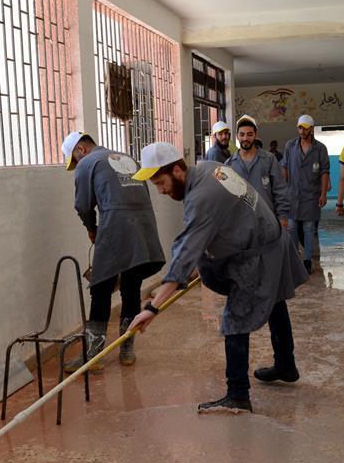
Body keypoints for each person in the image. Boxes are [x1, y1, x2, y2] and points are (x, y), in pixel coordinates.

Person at [128, 142, 308, 414]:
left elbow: (186, 251)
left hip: (258, 253)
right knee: (275, 302)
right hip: (269, 239)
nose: (161, 191)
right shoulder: (209, 168)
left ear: (176, 171)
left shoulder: (202, 195)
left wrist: (152, 308)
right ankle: (286, 365)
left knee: (234, 321)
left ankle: (238, 394)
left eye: (160, 183)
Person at [60, 131, 166, 372]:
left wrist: (91, 228)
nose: (77, 164)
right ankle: (126, 350)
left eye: (75, 159)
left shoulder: (87, 162)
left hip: (116, 228)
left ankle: (93, 356)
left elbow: (83, 205)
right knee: (131, 287)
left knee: (100, 288)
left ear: (80, 149)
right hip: (143, 229)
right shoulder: (126, 158)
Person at [281, 114, 330, 273]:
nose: (302, 131)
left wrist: (323, 193)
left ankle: (307, 260)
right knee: (292, 227)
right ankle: (295, 259)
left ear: (312, 129)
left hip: (311, 195)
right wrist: (282, 189)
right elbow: (284, 166)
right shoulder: (290, 146)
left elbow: (324, 171)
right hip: (292, 194)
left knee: (309, 229)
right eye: (300, 128)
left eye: (306, 128)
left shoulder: (320, 148)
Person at [225, 115, 290, 227]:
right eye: (242, 134)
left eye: (250, 134)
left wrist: (282, 217)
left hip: (267, 221)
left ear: (255, 135)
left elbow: (280, 190)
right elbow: (227, 198)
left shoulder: (269, 159)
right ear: (237, 136)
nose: (245, 138)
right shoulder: (229, 164)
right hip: (240, 224)